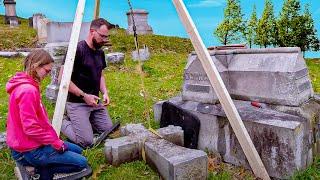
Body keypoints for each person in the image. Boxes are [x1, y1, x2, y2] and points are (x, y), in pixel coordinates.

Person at [6, 49, 89, 180]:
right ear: (36, 65)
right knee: (82, 163)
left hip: (32, 143)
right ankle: (38, 172)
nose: (48, 74)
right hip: (29, 151)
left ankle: (38, 166)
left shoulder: (26, 84)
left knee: (78, 150)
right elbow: (31, 128)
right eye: (47, 71)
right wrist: (56, 142)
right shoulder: (28, 90)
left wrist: (52, 139)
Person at [60, 18, 114, 148]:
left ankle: (86, 122)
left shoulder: (100, 52)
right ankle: (62, 122)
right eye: (102, 36)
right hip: (77, 102)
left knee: (109, 131)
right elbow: (63, 78)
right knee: (87, 142)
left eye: (106, 37)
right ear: (92, 32)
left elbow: (100, 74)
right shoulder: (77, 50)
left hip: (95, 102)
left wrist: (105, 92)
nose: (104, 40)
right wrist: (84, 96)